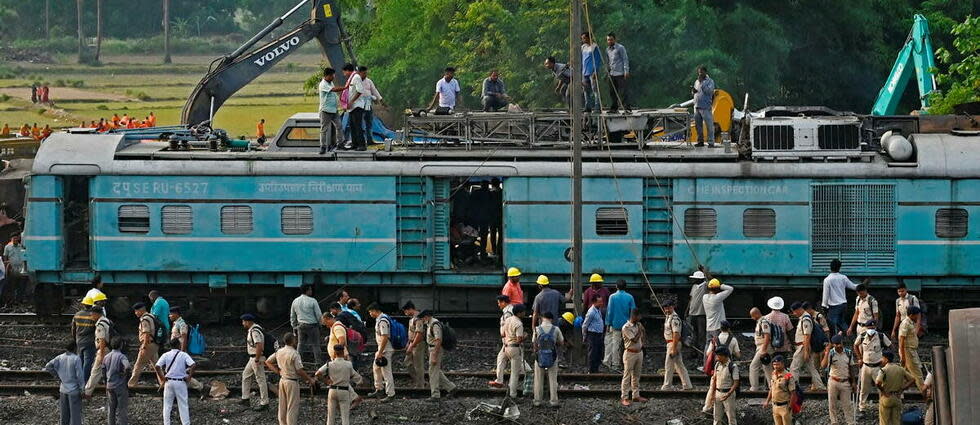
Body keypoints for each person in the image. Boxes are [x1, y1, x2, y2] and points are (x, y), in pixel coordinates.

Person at [265, 333, 316, 425]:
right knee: (292, 407)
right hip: (292, 381)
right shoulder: (294, 353)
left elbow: (268, 362)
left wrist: (277, 371)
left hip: (282, 380)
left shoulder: (279, 351)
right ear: (292, 341)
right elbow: (299, 371)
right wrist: (309, 379)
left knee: (282, 405)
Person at [317, 344, 362, 425]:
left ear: (334, 352)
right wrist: (360, 381)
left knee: (330, 417)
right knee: (345, 418)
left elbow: (317, 373)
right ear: (343, 352)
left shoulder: (329, 364)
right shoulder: (348, 364)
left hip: (332, 390)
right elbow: (356, 377)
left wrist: (326, 381)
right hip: (344, 391)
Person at [155, 339, 197, 425]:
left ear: (170, 346)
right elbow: (193, 365)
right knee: (183, 405)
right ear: (178, 345)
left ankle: (166, 423)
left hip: (168, 382)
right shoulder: (183, 355)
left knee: (167, 405)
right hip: (180, 382)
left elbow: (157, 366)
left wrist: (162, 377)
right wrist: (189, 377)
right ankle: (186, 423)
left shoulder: (165, 355)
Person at [854, 320, 891, 412]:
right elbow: (855, 345)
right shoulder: (862, 336)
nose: (871, 329)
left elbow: (890, 346)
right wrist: (859, 358)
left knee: (881, 387)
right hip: (865, 366)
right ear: (866, 328)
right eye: (869, 328)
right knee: (863, 388)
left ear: (875, 328)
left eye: (873, 328)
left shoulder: (881, 336)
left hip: (878, 367)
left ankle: (882, 406)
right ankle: (862, 407)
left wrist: (885, 359)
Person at [168, 307, 205, 395]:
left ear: (176, 314)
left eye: (171, 314)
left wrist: (182, 351)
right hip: (176, 350)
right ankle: (197, 387)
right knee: (179, 372)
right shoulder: (176, 323)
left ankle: (200, 387)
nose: (169, 316)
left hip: (179, 350)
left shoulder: (181, 323)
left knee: (180, 372)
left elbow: (184, 338)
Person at [46, 341, 85, 425]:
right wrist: (82, 389)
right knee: (75, 416)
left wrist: (57, 375)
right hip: (74, 391)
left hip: (63, 390)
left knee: (64, 415)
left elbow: (48, 366)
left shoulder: (59, 357)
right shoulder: (76, 358)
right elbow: (80, 375)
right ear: (75, 348)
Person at [421, 310, 457, 400]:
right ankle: (451, 387)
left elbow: (438, 340)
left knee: (433, 372)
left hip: (435, 349)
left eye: (423, 318)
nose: (422, 320)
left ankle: (435, 395)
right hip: (432, 348)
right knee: (435, 370)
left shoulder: (435, 324)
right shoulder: (430, 324)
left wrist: (434, 355)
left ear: (427, 316)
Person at [821, 334, 856, 425]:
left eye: (839, 343)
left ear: (842, 342)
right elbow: (823, 365)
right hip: (833, 381)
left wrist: (853, 382)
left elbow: (851, 367)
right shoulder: (831, 353)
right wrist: (827, 352)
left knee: (847, 404)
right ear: (833, 344)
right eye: (836, 344)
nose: (838, 346)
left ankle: (850, 422)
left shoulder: (848, 353)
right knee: (832, 404)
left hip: (845, 382)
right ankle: (834, 422)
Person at [790, 302, 825, 391]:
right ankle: (820, 386)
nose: (794, 314)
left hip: (803, 346)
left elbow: (807, 335)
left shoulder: (805, 319)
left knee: (794, 367)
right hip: (804, 346)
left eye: (794, 311)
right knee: (811, 367)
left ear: (798, 309)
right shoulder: (805, 318)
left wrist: (806, 351)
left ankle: (793, 387)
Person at [532, 311, 564, 407]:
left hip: (539, 356)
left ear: (542, 318)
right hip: (552, 356)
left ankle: (537, 401)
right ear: (551, 319)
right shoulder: (556, 329)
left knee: (538, 378)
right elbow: (561, 342)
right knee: (553, 379)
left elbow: (534, 342)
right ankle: (553, 401)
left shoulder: (537, 329)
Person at [661, 298, 694, 390]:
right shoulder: (669, 317)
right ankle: (687, 385)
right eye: (665, 308)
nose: (666, 310)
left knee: (669, 365)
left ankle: (667, 385)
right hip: (671, 343)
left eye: (668, 308)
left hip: (673, 343)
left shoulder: (675, 319)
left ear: (672, 307)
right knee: (679, 365)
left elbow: (676, 334)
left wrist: (674, 348)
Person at [875, 352, 915, 425]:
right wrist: (902, 389)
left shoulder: (883, 370)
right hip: (897, 397)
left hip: (886, 397)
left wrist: (883, 392)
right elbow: (912, 379)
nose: (881, 360)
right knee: (896, 421)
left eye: (882, 358)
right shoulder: (900, 369)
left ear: (886, 359)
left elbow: (877, 383)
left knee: (884, 422)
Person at [240, 313, 270, 411]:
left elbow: (259, 346)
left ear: (248, 322)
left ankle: (264, 403)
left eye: (243, 321)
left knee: (260, 380)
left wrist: (257, 359)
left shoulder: (254, 331)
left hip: (256, 358)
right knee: (246, 375)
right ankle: (245, 398)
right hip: (252, 358)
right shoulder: (254, 329)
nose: (242, 323)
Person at [367, 303, 396, 400]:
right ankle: (379, 389)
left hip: (385, 349)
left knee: (386, 371)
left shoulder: (383, 320)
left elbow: (385, 337)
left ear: (376, 310)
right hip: (381, 349)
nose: (370, 313)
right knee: (376, 368)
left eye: (371, 311)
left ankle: (390, 394)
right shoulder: (380, 319)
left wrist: (380, 352)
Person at [604, 280, 635, 370]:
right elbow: (633, 311)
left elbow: (609, 312)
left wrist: (608, 323)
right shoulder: (630, 297)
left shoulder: (612, 297)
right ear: (626, 287)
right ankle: (628, 362)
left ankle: (615, 364)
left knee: (615, 344)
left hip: (615, 324)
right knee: (628, 344)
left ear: (616, 286)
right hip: (627, 325)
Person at [822, 259, 857, 336]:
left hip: (834, 307)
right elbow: (853, 287)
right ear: (839, 268)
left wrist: (824, 306)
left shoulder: (827, 280)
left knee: (832, 325)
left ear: (830, 267)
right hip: (843, 305)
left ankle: (835, 341)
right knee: (842, 322)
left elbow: (825, 295)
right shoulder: (843, 277)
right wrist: (861, 285)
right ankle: (851, 337)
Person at [290, 284, 323, 366]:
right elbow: (319, 315)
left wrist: (294, 326)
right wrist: (321, 324)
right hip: (312, 326)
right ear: (307, 290)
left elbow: (292, 315)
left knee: (300, 344)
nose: (311, 291)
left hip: (301, 326)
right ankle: (318, 363)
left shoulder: (295, 301)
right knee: (315, 345)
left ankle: (297, 363)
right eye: (310, 290)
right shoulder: (313, 301)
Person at [619, 308, 647, 406]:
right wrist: (640, 331)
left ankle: (636, 395)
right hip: (630, 353)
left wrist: (643, 335)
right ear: (634, 316)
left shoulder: (638, 325)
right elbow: (634, 340)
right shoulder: (626, 327)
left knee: (636, 375)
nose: (640, 318)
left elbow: (642, 337)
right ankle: (624, 397)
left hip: (639, 352)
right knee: (627, 376)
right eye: (639, 316)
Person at [127, 303, 159, 387]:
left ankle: (131, 384)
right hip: (154, 344)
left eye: (136, 311)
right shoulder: (151, 316)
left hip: (148, 344)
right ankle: (163, 381)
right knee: (157, 366)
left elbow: (146, 333)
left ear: (142, 310)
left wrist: (144, 345)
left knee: (138, 364)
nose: (135, 313)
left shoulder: (144, 319)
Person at [83, 300, 110, 396]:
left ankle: (87, 392)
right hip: (107, 349)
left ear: (96, 314)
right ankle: (110, 390)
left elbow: (102, 340)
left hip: (103, 350)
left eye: (92, 315)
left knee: (95, 371)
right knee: (108, 371)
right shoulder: (106, 320)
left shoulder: (100, 324)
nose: (91, 317)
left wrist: (101, 354)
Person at [500, 304, 527, 398]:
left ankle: (509, 390)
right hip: (515, 348)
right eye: (523, 312)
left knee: (511, 371)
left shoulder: (507, 320)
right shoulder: (519, 323)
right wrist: (525, 336)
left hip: (506, 347)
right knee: (515, 373)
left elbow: (503, 334)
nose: (525, 313)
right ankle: (513, 394)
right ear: (519, 313)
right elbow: (519, 339)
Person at [703, 278, 733, 361]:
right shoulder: (717, 298)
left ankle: (706, 365)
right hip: (717, 328)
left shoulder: (704, 297)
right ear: (717, 289)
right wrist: (721, 286)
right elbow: (730, 289)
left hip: (708, 327)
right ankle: (717, 364)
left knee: (708, 346)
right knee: (719, 347)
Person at [101, 338, 130, 425]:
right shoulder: (122, 356)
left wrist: (105, 382)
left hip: (110, 386)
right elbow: (127, 367)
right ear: (121, 345)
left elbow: (103, 370)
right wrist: (125, 376)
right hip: (120, 385)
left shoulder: (106, 357)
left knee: (111, 409)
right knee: (122, 409)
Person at [708, 346, 739, 425]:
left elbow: (736, 383)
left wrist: (728, 394)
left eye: (719, 355)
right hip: (718, 393)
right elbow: (715, 379)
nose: (717, 357)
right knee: (716, 417)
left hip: (728, 393)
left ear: (724, 356)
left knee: (731, 417)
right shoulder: (717, 365)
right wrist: (712, 394)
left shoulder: (732, 366)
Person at [489, 295, 515, 389]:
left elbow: (508, 327)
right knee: (501, 358)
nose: (498, 305)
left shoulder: (508, 313)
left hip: (509, 342)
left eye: (499, 303)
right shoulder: (510, 310)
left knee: (519, 361)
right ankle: (499, 381)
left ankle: (531, 374)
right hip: (508, 342)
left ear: (504, 302)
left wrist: (505, 337)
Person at [318, 67, 345, 154]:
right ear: (326, 76)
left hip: (334, 109)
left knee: (339, 126)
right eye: (332, 75)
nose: (333, 77)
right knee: (324, 129)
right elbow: (334, 90)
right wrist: (345, 87)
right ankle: (323, 147)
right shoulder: (323, 84)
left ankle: (340, 144)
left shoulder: (330, 82)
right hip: (326, 110)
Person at [898, 306, 924, 390]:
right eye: (917, 315)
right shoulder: (905, 323)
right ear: (912, 315)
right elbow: (901, 340)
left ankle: (898, 393)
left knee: (903, 374)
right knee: (917, 374)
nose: (918, 317)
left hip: (910, 351)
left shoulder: (910, 323)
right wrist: (903, 356)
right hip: (908, 351)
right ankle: (925, 394)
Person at [764, 355, 795, 425]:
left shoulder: (788, 376)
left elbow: (793, 393)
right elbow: (771, 389)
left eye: (778, 364)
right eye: (774, 365)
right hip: (775, 406)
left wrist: (790, 407)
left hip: (784, 406)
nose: (775, 366)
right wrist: (767, 401)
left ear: (783, 364)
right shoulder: (773, 374)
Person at [402, 301, 427, 387]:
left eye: (405, 311)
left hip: (418, 344)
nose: (405, 314)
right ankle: (419, 381)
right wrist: (409, 343)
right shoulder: (413, 318)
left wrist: (412, 345)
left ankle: (420, 385)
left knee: (418, 365)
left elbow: (419, 334)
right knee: (407, 362)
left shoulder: (418, 318)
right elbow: (412, 333)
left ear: (410, 309)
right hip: (412, 343)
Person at [748, 307, 774, 391]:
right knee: (767, 368)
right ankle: (772, 386)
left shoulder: (763, 322)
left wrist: (763, 349)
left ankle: (754, 387)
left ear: (756, 314)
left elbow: (767, 336)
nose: (752, 318)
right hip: (762, 347)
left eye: (752, 316)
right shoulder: (760, 322)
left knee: (753, 366)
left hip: (763, 347)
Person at [71, 298, 97, 382]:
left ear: (83, 305)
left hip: (79, 341)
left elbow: (73, 329)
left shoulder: (77, 314)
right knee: (88, 362)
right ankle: (85, 380)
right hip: (89, 341)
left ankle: (78, 379)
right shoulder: (93, 316)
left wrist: (75, 339)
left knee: (80, 361)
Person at [346, 65, 370, 151]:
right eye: (364, 73)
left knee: (357, 126)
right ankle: (355, 144)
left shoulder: (356, 77)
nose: (365, 75)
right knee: (352, 126)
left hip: (357, 106)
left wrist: (351, 101)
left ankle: (362, 145)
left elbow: (360, 91)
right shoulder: (353, 78)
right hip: (352, 107)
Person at [692, 65, 716, 147]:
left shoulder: (710, 81)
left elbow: (709, 92)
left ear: (705, 72)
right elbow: (695, 92)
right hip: (697, 106)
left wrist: (702, 83)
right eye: (699, 72)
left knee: (709, 125)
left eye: (701, 72)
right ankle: (700, 141)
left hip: (705, 107)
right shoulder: (696, 81)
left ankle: (711, 142)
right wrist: (693, 91)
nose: (700, 74)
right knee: (698, 126)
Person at [605, 33, 630, 112]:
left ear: (615, 40)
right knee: (612, 92)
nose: (609, 41)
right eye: (608, 40)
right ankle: (614, 108)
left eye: (611, 39)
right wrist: (607, 71)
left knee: (623, 92)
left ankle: (627, 108)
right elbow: (608, 61)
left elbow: (625, 59)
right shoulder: (607, 50)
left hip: (620, 73)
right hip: (612, 73)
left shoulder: (620, 48)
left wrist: (626, 71)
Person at [360, 67, 384, 145]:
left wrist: (380, 99)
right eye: (364, 73)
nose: (365, 75)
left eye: (366, 73)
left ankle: (370, 140)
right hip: (359, 105)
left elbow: (374, 90)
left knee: (369, 123)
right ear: (359, 72)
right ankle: (361, 141)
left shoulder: (369, 81)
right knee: (359, 124)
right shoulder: (356, 80)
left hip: (368, 105)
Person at [582, 295, 606, 373]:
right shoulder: (591, 312)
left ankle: (596, 369)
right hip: (592, 334)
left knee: (598, 352)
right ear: (594, 302)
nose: (601, 303)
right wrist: (584, 336)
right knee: (592, 352)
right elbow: (585, 325)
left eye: (601, 301)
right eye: (599, 302)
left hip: (598, 335)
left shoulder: (598, 310)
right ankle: (591, 370)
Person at [580, 32, 602, 112]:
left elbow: (598, 60)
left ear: (589, 38)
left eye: (584, 38)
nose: (583, 40)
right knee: (586, 90)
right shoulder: (583, 47)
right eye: (582, 38)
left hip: (592, 72)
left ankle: (597, 107)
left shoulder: (595, 47)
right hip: (584, 72)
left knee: (595, 89)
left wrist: (595, 71)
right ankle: (587, 106)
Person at [688, 270, 708, 353]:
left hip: (701, 314)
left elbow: (710, 280)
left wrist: (704, 271)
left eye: (695, 278)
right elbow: (691, 300)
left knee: (701, 334)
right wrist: (687, 311)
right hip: (692, 314)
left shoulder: (705, 286)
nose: (694, 280)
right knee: (694, 334)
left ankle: (701, 352)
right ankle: (694, 351)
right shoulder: (694, 286)